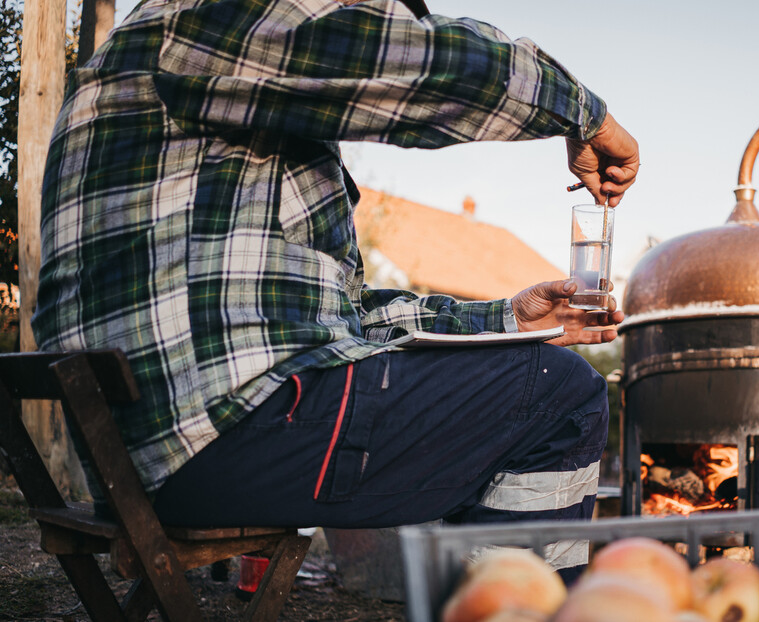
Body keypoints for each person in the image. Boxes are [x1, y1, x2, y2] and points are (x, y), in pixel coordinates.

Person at [32, 0, 639, 579]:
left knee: (528, 377)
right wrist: (583, 110)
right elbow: (411, 59)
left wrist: (507, 319)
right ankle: (509, 605)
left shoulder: (204, 124)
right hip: (218, 431)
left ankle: (492, 592)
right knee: (557, 396)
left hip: (152, 451)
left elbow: (347, 319)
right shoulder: (203, 19)